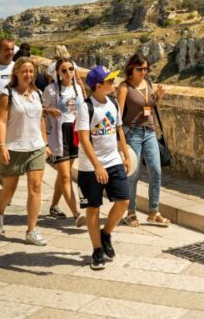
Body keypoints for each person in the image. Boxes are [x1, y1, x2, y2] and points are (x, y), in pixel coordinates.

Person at [0, 57, 50, 246]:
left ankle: (31, 230)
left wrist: (45, 142)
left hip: (36, 147)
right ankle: (0, 213)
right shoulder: (7, 94)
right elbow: (1, 121)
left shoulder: (37, 93)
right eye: (24, 71)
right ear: (16, 72)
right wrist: (2, 145)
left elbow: (41, 119)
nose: (28, 74)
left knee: (36, 187)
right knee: (9, 189)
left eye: (31, 71)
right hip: (14, 147)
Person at [80, 66, 132, 269]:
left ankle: (106, 233)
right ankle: (97, 250)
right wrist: (97, 166)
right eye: (109, 81)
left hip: (113, 160)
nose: (113, 83)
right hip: (90, 166)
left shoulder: (113, 103)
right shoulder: (85, 107)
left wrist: (126, 155)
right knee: (93, 208)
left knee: (124, 200)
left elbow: (119, 130)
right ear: (98, 85)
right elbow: (84, 139)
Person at [116, 53, 168, 227]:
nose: (143, 72)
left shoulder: (148, 83)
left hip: (149, 131)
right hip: (132, 133)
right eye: (140, 69)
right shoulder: (124, 87)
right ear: (131, 68)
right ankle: (130, 212)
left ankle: (154, 211)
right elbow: (118, 116)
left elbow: (150, 107)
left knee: (156, 170)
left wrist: (159, 96)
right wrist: (119, 140)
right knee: (134, 173)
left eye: (146, 69)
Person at [43, 58, 86, 227]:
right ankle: (77, 213)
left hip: (74, 132)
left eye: (71, 69)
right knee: (66, 176)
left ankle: (54, 206)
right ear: (58, 73)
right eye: (64, 70)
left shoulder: (78, 88)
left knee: (63, 174)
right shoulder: (51, 90)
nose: (68, 73)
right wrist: (48, 110)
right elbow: (39, 110)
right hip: (58, 134)